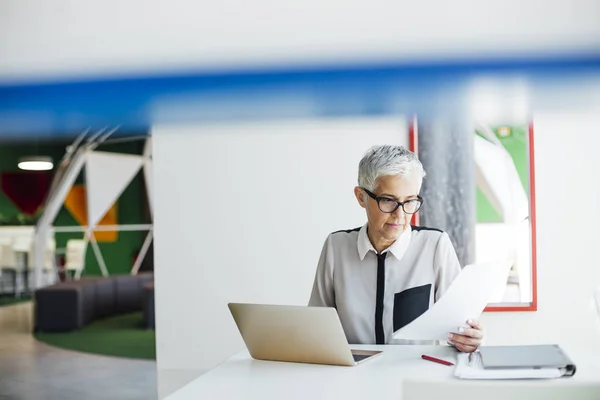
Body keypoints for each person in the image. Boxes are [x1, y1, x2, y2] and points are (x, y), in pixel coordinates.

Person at [308, 144, 483, 353]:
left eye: (410, 201)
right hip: (351, 376)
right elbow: (315, 329)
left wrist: (469, 338)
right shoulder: (336, 247)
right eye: (388, 201)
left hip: (416, 375)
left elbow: (460, 328)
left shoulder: (435, 245)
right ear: (361, 197)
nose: (400, 215)